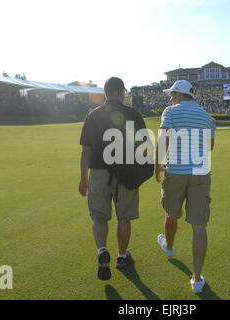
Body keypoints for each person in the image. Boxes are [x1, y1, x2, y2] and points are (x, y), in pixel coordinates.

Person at [79, 77, 148, 281]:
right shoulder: (133, 115)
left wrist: (83, 177)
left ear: (106, 93)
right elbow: (143, 149)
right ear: (120, 92)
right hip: (126, 172)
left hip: (99, 172)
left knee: (99, 216)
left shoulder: (92, 116)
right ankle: (121, 255)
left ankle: (102, 250)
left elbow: (86, 151)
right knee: (124, 217)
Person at [155, 80, 216, 294]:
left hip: (176, 173)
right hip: (200, 173)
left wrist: (157, 165)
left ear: (179, 95)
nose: (170, 99)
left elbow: (164, 139)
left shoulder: (170, 112)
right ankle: (197, 279)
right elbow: (209, 147)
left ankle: (169, 248)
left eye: (172, 95)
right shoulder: (208, 117)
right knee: (199, 225)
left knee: (171, 213)